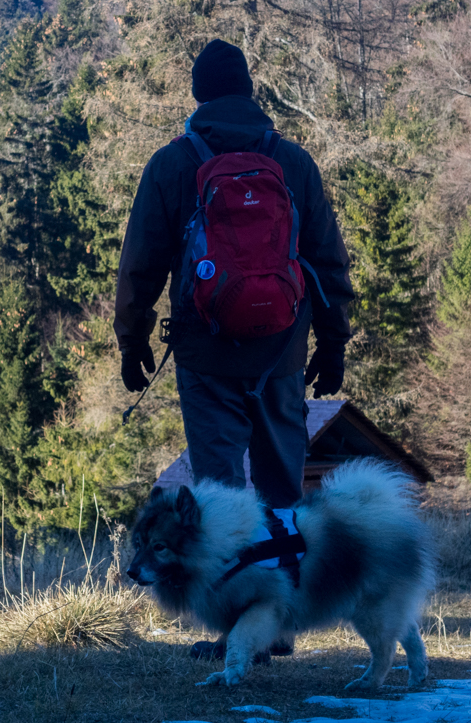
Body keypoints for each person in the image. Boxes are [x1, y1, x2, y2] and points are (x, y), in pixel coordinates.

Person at [114, 39, 354, 511]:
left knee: (219, 502)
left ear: (198, 94)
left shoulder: (172, 164)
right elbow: (328, 260)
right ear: (248, 91)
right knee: (283, 496)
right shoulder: (294, 163)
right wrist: (332, 343)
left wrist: (132, 341)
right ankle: (284, 573)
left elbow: (141, 265)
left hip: (206, 357)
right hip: (281, 351)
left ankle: (235, 581)